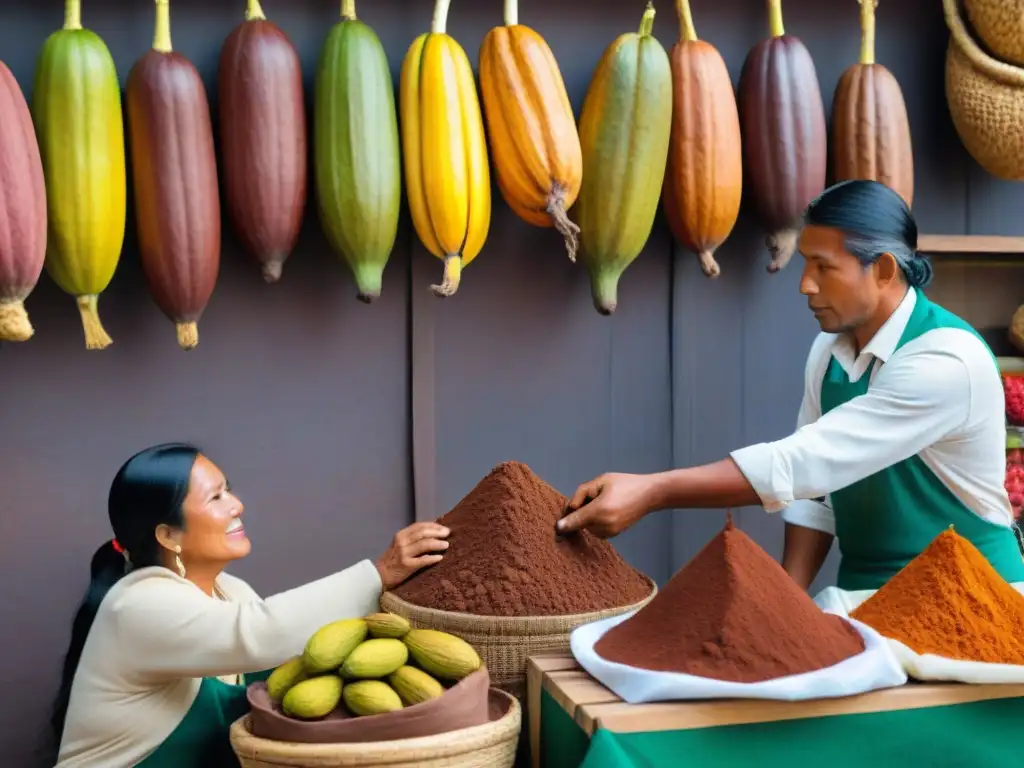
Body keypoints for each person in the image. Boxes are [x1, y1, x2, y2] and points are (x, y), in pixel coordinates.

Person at [558, 179, 1024, 592]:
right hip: (869, 604)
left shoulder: (945, 361)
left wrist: (654, 491)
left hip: (976, 600)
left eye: (823, 267)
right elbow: (815, 496)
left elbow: (804, 463)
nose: (804, 284)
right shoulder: (829, 354)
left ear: (883, 270)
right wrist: (789, 602)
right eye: (805, 264)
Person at [52, 443, 450, 768]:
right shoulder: (137, 604)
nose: (236, 504)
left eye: (229, 489)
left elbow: (294, 648)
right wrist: (378, 574)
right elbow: (258, 634)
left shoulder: (231, 591)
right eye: (216, 497)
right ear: (169, 535)